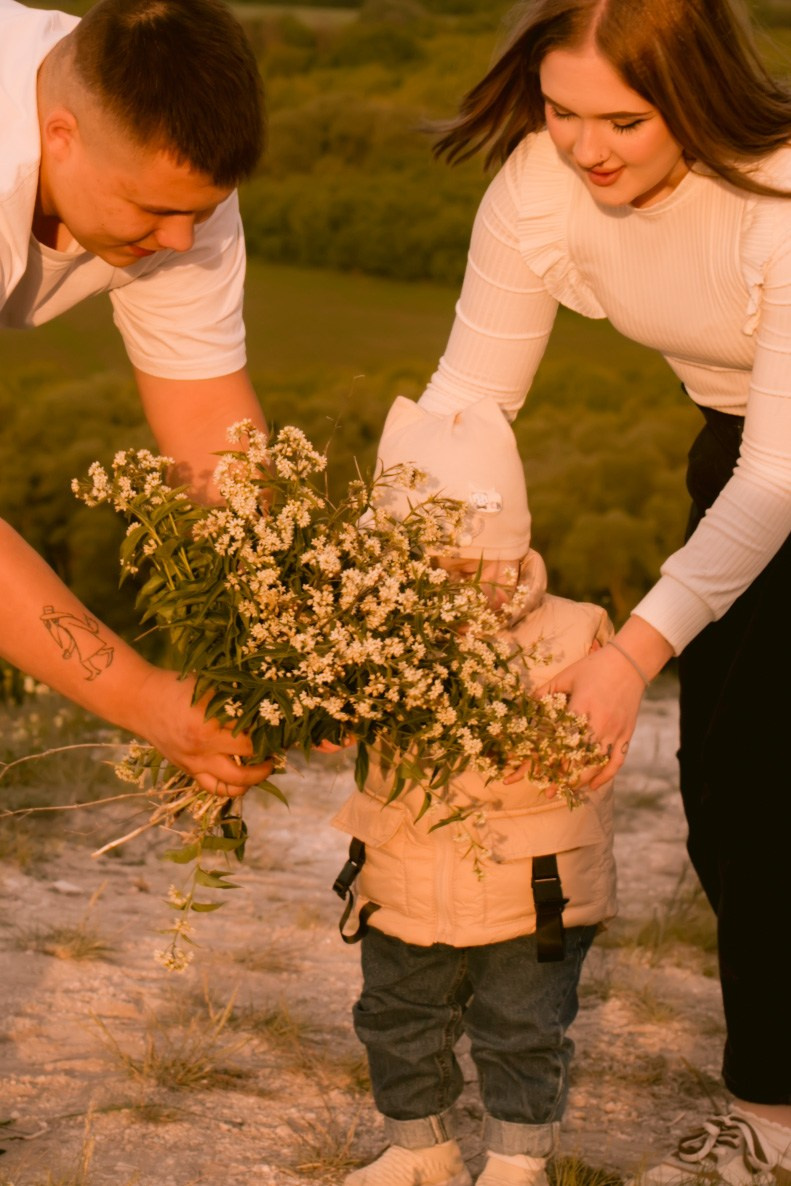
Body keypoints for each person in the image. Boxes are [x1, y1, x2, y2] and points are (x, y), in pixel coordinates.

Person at [399, 0, 791, 1180]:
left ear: (699, 94)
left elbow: (781, 481)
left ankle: (767, 1117)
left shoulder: (778, 196)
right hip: (738, 450)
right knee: (729, 788)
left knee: (765, 782)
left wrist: (626, 654)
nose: (585, 146)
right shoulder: (538, 182)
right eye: (561, 112)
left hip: (774, 469)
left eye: (620, 116)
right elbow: (466, 402)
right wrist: (400, 600)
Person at [332, 395, 616, 1186]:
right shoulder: (360, 634)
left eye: (476, 568)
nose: (460, 589)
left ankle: (516, 1161)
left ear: (516, 549)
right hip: (401, 874)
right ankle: (418, 1147)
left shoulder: (576, 632)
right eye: (433, 570)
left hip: (536, 889)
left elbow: (593, 750)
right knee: (395, 1017)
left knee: (522, 1027)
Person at [0, 0, 272, 795]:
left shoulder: (173, 181)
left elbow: (209, 429)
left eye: (201, 210)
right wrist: (141, 697)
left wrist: (289, 642)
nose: (182, 241)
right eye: (154, 212)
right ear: (60, 136)